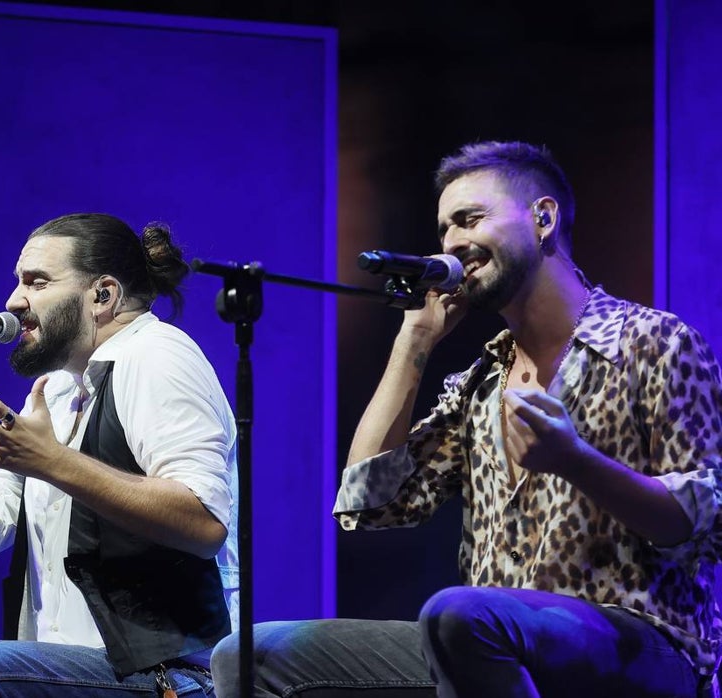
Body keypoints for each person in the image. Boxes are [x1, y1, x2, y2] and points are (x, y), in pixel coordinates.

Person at [211, 140, 722, 698]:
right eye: (444, 230)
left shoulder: (655, 343)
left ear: (543, 218)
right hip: (483, 640)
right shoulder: (481, 383)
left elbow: (698, 524)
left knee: (462, 614)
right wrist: (415, 341)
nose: (454, 243)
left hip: (641, 644)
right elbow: (368, 503)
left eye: (470, 219)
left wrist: (575, 461)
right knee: (248, 656)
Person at [0, 212, 239, 697]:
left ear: (102, 295)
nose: (13, 301)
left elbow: (203, 521)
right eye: (17, 282)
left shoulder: (158, 357)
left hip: (170, 676)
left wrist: (52, 462)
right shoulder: (59, 391)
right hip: (74, 673)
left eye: (36, 282)